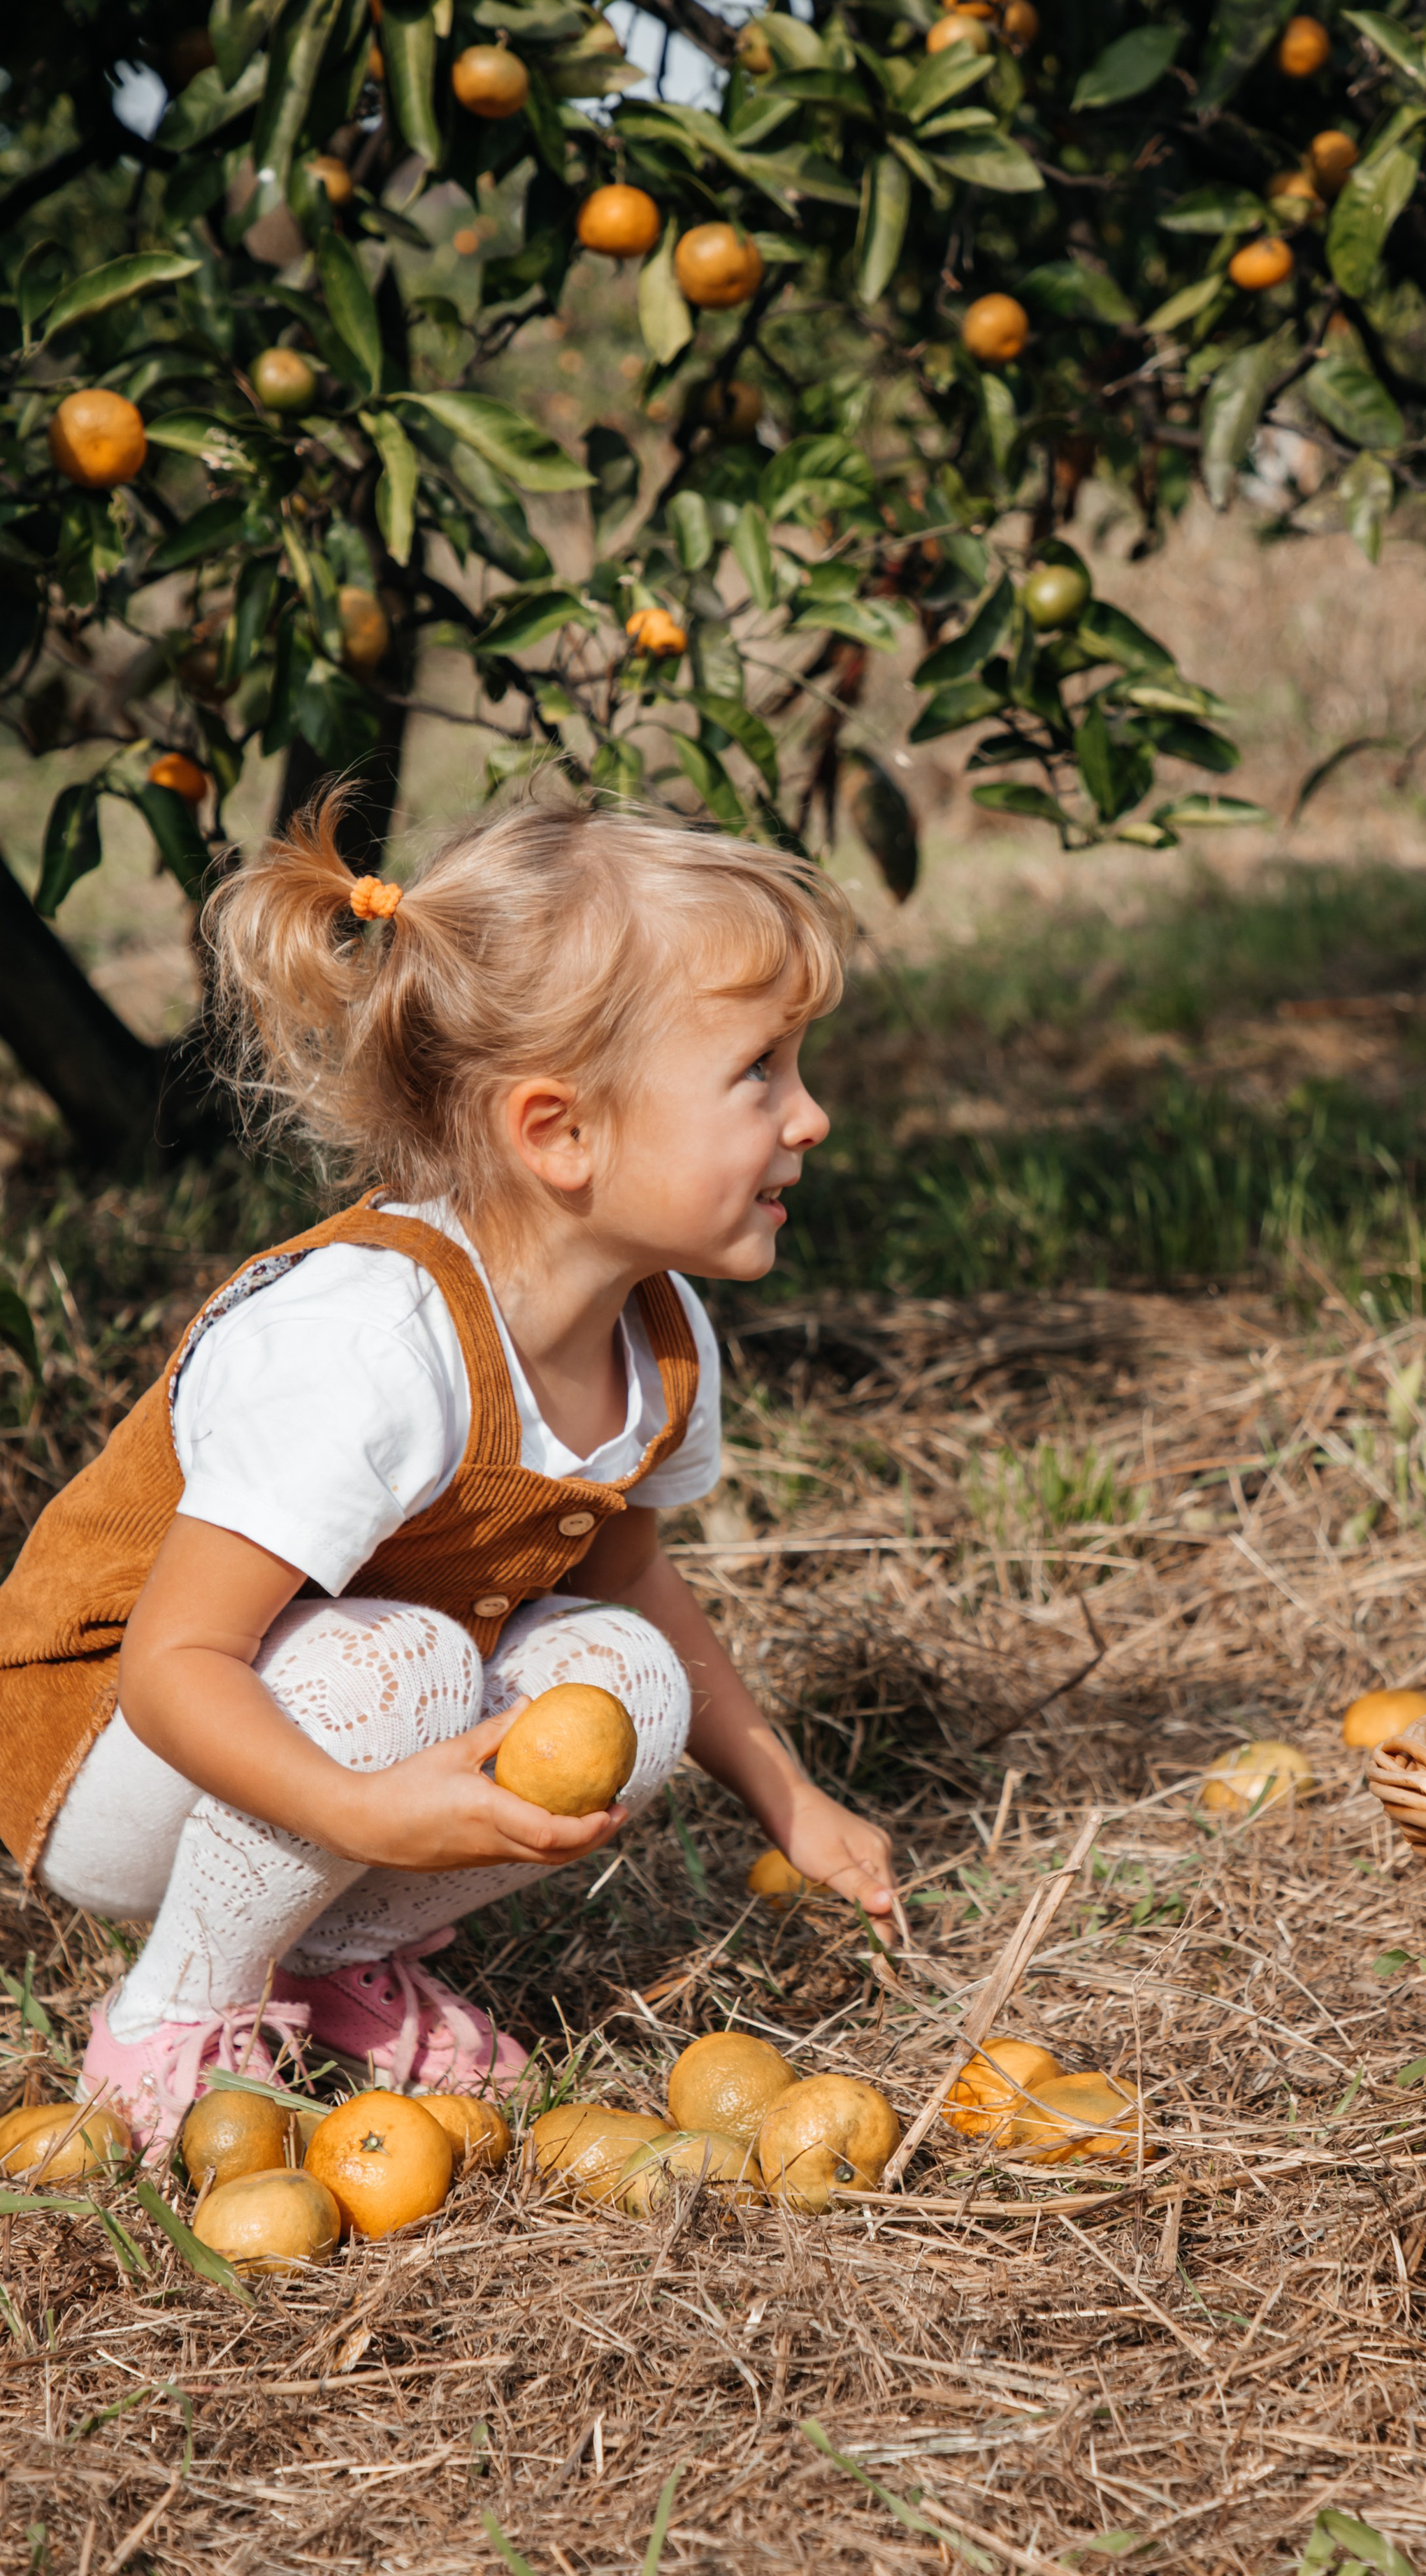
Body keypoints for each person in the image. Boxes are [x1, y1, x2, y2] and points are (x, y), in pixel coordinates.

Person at [0, 793, 895, 2151]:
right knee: (406, 1665)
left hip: (303, 1723)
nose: (810, 1116)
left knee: (623, 1680)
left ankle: (326, 1959)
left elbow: (631, 1577)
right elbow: (174, 1667)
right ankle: (176, 2008)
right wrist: (365, 1811)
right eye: (759, 1070)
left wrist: (789, 1796)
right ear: (561, 1134)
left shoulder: (656, 1339)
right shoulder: (364, 1341)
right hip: (107, 1756)